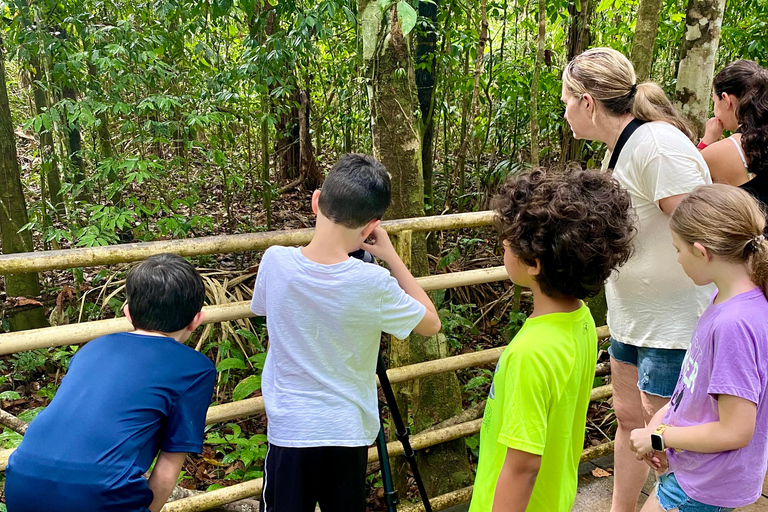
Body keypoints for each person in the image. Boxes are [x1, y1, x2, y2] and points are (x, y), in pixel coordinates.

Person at [561, 47, 713, 512]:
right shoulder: (621, 149)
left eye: (566, 99)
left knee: (668, 438)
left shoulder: (655, 146)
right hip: (634, 319)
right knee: (631, 423)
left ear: (588, 102)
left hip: (674, 325)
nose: (563, 110)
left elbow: (707, 230)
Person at [250, 153, 441, 512]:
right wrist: (391, 256)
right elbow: (432, 323)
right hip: (347, 431)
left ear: (316, 200)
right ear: (371, 227)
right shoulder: (374, 282)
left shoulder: (274, 261)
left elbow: (263, 309)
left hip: (291, 430)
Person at [468, 167, 635, 512]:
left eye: (512, 240)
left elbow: (522, 467)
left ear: (534, 263)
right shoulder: (582, 320)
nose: (503, 243)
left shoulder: (530, 353)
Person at [5, 254, 216, 512]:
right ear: (197, 319)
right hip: (100, 495)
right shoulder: (195, 368)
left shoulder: (94, 347)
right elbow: (168, 465)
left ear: (127, 312)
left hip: (21, 482)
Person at [629, 184, 768, 512]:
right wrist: (658, 427)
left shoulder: (735, 323)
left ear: (702, 252)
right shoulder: (726, 298)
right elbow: (693, 389)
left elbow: (735, 430)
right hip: (694, 471)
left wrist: (659, 438)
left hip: (705, 483)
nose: (677, 259)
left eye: (677, 250)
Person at [698, 61, 768, 205]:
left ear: (726, 99)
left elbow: (682, 178)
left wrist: (706, 141)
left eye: (714, 102)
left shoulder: (725, 151)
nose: (715, 110)